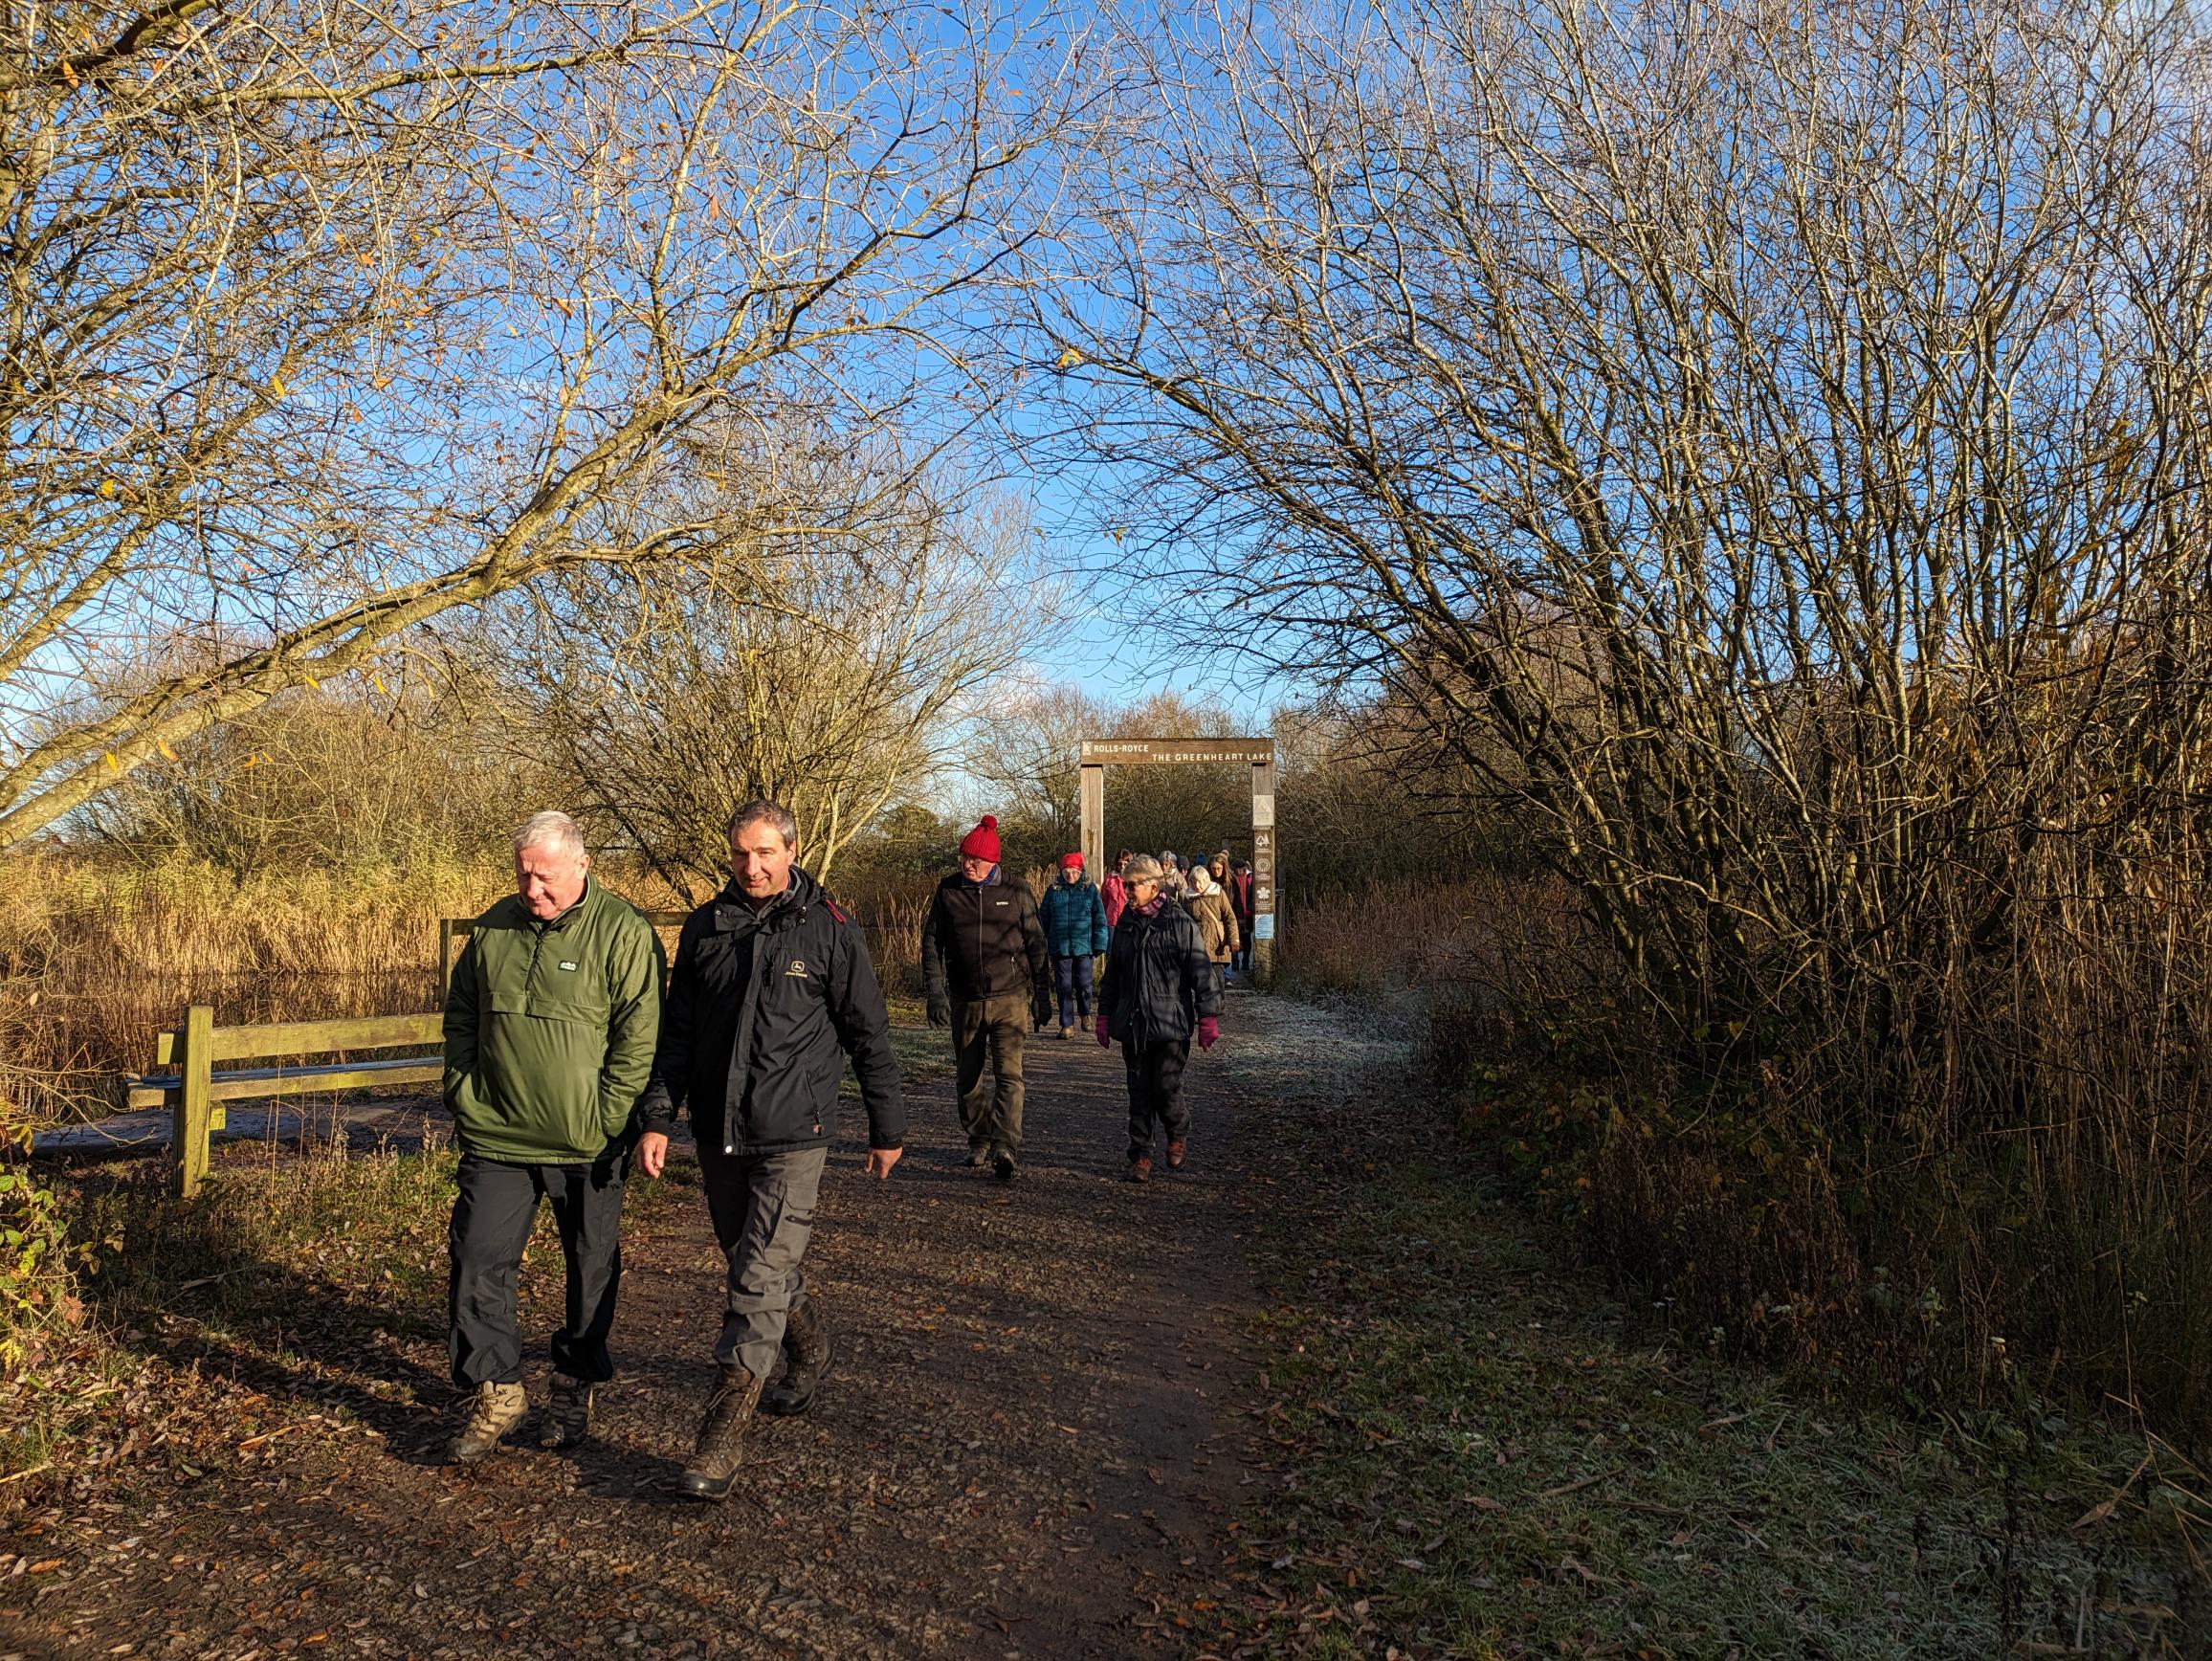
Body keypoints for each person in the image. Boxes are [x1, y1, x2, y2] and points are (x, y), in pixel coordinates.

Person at [632, 800, 904, 1501]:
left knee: (754, 1278)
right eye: (740, 856)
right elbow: (679, 1036)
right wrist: (658, 1118)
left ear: (791, 850)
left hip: (795, 1135)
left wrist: (887, 1127)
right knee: (750, 1259)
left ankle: (720, 1436)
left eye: (764, 854)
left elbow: (868, 1033)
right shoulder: (706, 928)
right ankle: (809, 1344)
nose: (752, 868)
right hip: (720, 1132)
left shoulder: (831, 930)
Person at [441, 810, 663, 1464]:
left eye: (546, 878)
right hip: (498, 1135)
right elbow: (460, 1016)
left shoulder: (623, 932)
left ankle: (574, 1384)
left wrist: (605, 1117)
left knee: (590, 1268)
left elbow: (637, 1038)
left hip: (588, 1143)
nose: (533, 891)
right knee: (477, 1258)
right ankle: (498, 1387)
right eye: (524, 876)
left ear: (582, 866)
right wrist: (465, 1090)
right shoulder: (492, 930)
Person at [920, 814, 1051, 1180]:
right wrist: (935, 991)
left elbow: (1037, 944)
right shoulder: (948, 891)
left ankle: (1005, 1145)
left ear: (994, 862)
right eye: (963, 858)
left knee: (1010, 1074)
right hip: (965, 999)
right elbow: (932, 943)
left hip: (1010, 998)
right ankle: (978, 1138)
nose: (967, 865)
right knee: (968, 1078)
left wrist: (1042, 995)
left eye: (975, 860)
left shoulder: (1016, 890)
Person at [1096, 855, 1221, 1182]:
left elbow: (1201, 972)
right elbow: (1114, 973)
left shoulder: (1179, 923)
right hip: (1134, 1023)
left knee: (1166, 1090)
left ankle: (1177, 1131)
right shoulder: (1124, 922)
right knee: (1138, 1093)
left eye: (1132, 885)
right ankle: (1141, 1155)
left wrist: (1208, 1016)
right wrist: (1104, 1015)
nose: (1127, 891)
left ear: (1153, 886)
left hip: (1170, 1026)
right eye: (1125, 885)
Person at [1037, 852, 1111, 1038]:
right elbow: (1042, 918)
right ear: (1061, 872)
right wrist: (1040, 942)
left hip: (1084, 946)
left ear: (1081, 872)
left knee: (1084, 984)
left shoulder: (1090, 890)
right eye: (1067, 871)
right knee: (1064, 986)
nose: (1070, 875)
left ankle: (1085, 1013)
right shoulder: (1053, 891)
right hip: (1060, 947)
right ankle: (1066, 1025)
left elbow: (1100, 918)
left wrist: (1100, 943)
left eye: (1074, 872)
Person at [1184, 861, 1242, 991]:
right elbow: (1184, 922)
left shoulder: (1218, 893)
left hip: (1217, 943)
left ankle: (1218, 1006)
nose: (1197, 885)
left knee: (1218, 979)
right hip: (1197, 944)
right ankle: (1205, 1008)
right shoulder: (1188, 898)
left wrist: (1234, 940)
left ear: (1206, 880)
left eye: (1199, 881)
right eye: (1193, 882)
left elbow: (1229, 917)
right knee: (1201, 981)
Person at [1228, 858, 1256, 973]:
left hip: (1247, 914)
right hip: (1234, 914)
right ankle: (1235, 962)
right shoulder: (1230, 880)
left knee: (1246, 938)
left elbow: (1253, 895)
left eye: (1241, 869)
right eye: (1237, 869)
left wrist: (1250, 909)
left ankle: (1245, 962)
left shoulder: (1250, 879)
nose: (1239, 871)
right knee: (1235, 938)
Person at [1100, 849, 1135, 932]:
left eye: (1125, 864)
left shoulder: (1134, 879)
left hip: (1129, 920)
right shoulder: (1109, 878)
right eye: (1120, 864)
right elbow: (1104, 901)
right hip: (1112, 921)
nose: (1122, 867)